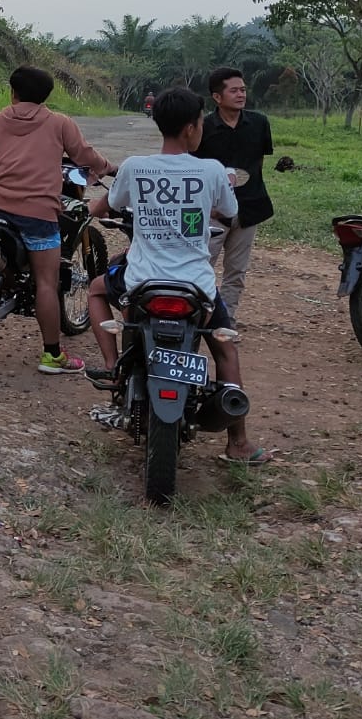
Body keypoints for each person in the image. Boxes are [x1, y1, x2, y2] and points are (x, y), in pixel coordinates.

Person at [88, 86, 269, 463]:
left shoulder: (135, 166)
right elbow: (229, 211)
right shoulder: (212, 170)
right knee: (225, 348)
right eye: (200, 122)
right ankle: (238, 442)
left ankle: (111, 367)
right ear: (191, 127)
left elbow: (109, 205)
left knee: (95, 290)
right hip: (195, 288)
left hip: (142, 283)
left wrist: (94, 206)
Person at [0, 66, 117, 374]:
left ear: (12, 91)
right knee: (46, 283)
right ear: (46, 95)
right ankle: (52, 354)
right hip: (37, 215)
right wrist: (108, 167)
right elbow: (85, 156)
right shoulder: (59, 123)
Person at [194, 66, 275, 323]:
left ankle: (226, 321)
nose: (241, 95)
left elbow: (259, 162)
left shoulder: (259, 123)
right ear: (217, 97)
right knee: (199, 266)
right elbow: (193, 168)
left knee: (236, 271)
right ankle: (196, 319)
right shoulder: (203, 127)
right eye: (234, 91)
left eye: (243, 90)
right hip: (211, 212)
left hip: (248, 209)